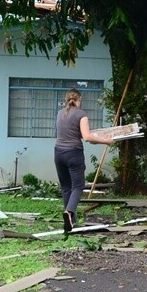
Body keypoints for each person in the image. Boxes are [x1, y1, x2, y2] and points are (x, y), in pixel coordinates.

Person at [54, 88, 113, 233]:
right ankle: (69, 212)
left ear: (67, 100)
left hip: (58, 153)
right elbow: (87, 137)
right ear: (79, 100)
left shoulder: (60, 113)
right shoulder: (81, 114)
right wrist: (106, 141)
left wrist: (95, 138)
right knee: (78, 186)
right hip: (73, 153)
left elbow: (74, 133)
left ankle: (71, 222)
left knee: (66, 187)